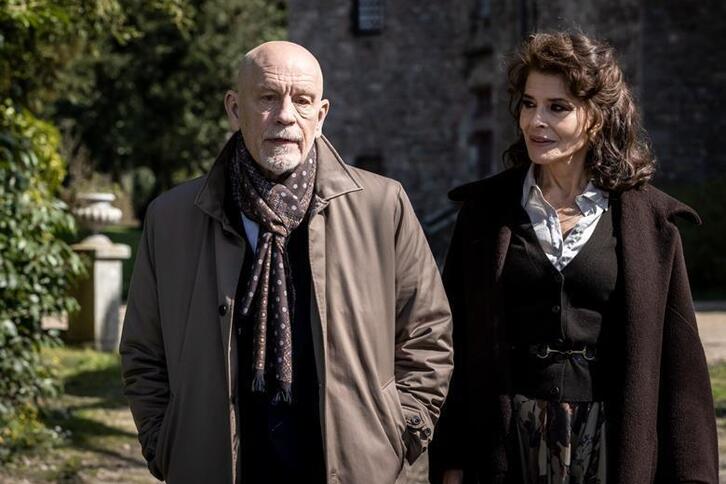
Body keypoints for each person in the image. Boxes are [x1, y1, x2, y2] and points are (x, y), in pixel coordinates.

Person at [120, 40, 453, 484]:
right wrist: (165, 443)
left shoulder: (382, 205)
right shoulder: (172, 218)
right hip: (217, 465)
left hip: (356, 466)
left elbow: (428, 336)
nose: (286, 115)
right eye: (268, 98)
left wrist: (400, 432)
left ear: (321, 114)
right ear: (235, 109)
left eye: (302, 101)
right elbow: (144, 350)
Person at [430, 32, 718, 484]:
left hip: (611, 442)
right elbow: (455, 346)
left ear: (597, 118)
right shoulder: (485, 215)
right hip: (506, 443)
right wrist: (450, 459)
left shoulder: (649, 223)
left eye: (557, 107)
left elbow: (681, 369)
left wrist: (693, 474)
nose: (535, 121)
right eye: (528, 104)